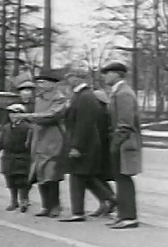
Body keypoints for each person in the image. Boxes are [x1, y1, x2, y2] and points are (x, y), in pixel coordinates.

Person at [57, 71, 117, 222]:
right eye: (69, 77)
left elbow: (84, 124)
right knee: (85, 176)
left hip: (85, 145)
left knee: (78, 176)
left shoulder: (85, 97)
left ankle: (78, 212)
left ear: (81, 79)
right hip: (84, 143)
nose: (69, 79)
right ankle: (111, 199)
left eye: (72, 76)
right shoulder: (80, 96)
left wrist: (76, 146)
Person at [13, 69, 67, 218]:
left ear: (52, 83)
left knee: (51, 174)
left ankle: (55, 206)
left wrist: (27, 116)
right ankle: (46, 205)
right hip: (39, 138)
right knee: (39, 173)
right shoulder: (39, 98)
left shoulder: (59, 98)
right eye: (39, 82)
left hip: (53, 139)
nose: (40, 85)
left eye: (43, 82)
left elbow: (52, 115)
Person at [101, 62, 142, 229]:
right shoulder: (117, 92)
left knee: (124, 179)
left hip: (124, 143)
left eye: (107, 73)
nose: (104, 76)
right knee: (120, 179)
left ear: (117, 74)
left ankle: (129, 217)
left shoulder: (123, 93)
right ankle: (123, 215)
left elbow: (125, 123)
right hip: (122, 142)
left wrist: (115, 144)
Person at [0, 103, 33, 213]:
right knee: (10, 180)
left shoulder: (28, 128)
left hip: (23, 157)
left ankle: (24, 200)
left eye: (16, 113)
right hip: (8, 157)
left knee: (23, 180)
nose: (13, 116)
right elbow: (0, 141)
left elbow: (32, 143)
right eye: (11, 113)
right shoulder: (6, 128)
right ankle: (14, 201)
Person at [88, 89, 117, 217]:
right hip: (104, 148)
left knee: (91, 176)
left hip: (98, 149)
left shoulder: (98, 113)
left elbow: (97, 132)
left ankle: (109, 199)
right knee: (99, 177)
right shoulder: (106, 112)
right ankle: (107, 202)